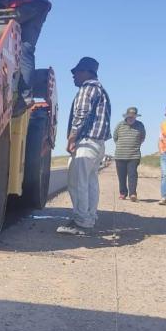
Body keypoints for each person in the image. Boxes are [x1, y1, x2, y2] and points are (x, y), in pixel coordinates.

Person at [57, 57, 111, 236]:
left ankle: (81, 222)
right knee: (90, 183)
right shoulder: (101, 90)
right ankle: (89, 217)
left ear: (87, 72)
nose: (73, 76)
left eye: (76, 72)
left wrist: (72, 138)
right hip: (98, 143)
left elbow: (81, 114)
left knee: (77, 182)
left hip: (87, 142)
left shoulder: (87, 89)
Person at [113, 107, 146, 201]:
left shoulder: (140, 125)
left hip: (134, 155)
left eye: (133, 117)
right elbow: (115, 137)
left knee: (132, 175)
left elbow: (142, 137)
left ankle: (132, 194)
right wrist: (122, 146)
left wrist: (134, 145)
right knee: (121, 176)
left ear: (136, 117)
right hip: (120, 155)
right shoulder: (120, 125)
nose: (131, 118)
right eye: (130, 117)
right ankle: (123, 193)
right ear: (126, 116)